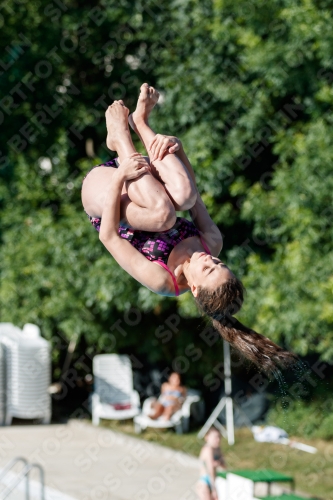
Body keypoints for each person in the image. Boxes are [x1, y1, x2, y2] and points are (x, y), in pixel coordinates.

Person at [81, 83, 297, 374]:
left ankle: (120, 137)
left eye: (209, 269)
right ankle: (140, 124)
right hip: (142, 180)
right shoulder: (211, 242)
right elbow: (192, 194)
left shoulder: (162, 280)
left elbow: (107, 236)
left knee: (164, 216)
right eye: (219, 262)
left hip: (107, 197)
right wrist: (177, 149)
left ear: (194, 289)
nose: (210, 259)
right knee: (183, 198)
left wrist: (120, 175)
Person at [197, 427, 227, 500]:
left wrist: (218, 463)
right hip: (205, 482)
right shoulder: (208, 449)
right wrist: (214, 489)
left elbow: (225, 467)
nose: (218, 440)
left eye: (219, 437)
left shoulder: (217, 449)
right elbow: (210, 470)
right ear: (207, 437)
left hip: (214, 480)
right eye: (215, 437)